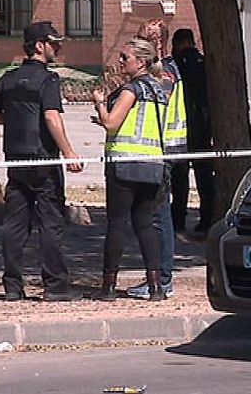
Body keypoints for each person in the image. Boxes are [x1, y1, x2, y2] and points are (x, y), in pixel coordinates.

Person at [0, 20, 83, 302]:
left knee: (15, 226)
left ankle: (13, 287)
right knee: (51, 224)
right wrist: (69, 152)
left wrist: (15, 119)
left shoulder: (8, 78)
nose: (58, 48)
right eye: (54, 44)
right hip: (43, 160)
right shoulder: (48, 80)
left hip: (15, 160)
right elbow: (51, 117)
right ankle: (56, 287)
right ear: (39, 46)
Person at [91, 36, 171, 302]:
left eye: (125, 57)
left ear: (142, 61)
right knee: (145, 225)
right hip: (152, 165)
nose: (121, 61)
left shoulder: (131, 90)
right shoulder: (159, 89)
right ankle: (156, 286)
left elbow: (112, 123)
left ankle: (108, 286)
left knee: (117, 224)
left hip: (125, 164)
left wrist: (100, 103)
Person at [124, 20, 187, 300]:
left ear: (158, 44)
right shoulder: (161, 73)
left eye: (143, 40)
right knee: (154, 216)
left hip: (164, 152)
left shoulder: (165, 76)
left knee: (159, 217)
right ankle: (158, 276)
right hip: (160, 151)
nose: (137, 45)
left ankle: (162, 279)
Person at [170, 28, 216, 236]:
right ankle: (207, 219)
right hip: (203, 127)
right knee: (205, 176)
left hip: (181, 127)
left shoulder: (175, 65)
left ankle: (177, 221)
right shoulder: (205, 63)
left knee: (179, 178)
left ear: (177, 43)